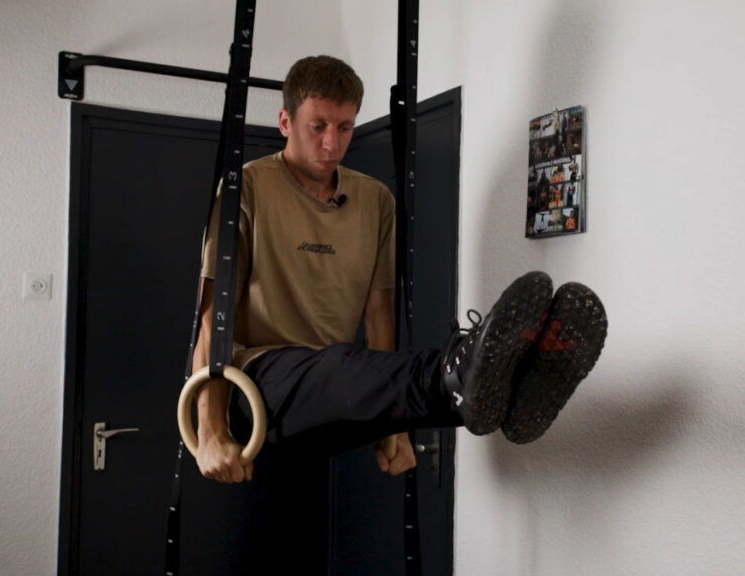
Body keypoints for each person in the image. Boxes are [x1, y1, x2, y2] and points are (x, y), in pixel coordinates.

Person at [192, 56, 608, 484]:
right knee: (339, 367)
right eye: (318, 126)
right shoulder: (247, 188)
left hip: (340, 389)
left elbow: (379, 316)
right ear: (285, 121)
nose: (332, 144)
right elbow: (210, 319)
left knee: (359, 370)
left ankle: (515, 386)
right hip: (258, 386)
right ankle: (464, 365)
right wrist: (209, 431)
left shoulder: (375, 201)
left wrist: (398, 424)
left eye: (345, 127)